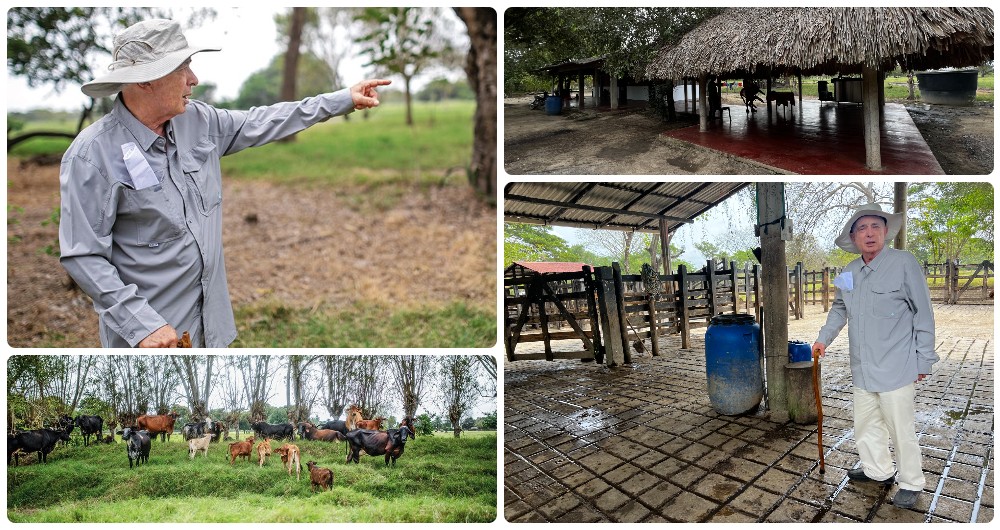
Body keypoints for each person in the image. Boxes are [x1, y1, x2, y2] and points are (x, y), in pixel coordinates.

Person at [59, 19, 390, 347]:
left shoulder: (198, 121)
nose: (194, 79)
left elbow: (264, 120)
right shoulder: (91, 155)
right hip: (152, 340)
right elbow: (83, 255)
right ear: (146, 80)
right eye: (182, 68)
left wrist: (342, 99)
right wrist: (141, 324)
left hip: (210, 329)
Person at [812, 203, 937, 509]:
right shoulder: (849, 271)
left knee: (900, 427)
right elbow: (839, 308)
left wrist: (924, 359)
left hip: (897, 364)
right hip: (863, 367)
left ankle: (911, 481)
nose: (869, 234)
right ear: (853, 238)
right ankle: (877, 470)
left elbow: (924, 313)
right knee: (866, 424)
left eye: (875, 227)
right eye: (862, 229)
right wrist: (822, 339)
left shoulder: (905, 262)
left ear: (885, 232)